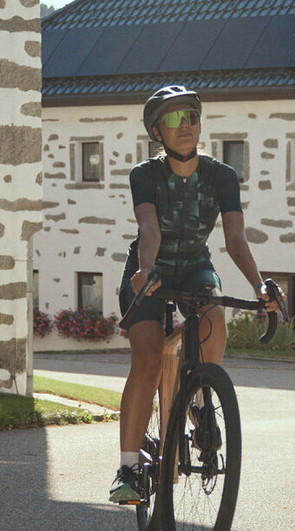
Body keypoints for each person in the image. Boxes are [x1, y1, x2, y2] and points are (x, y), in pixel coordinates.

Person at [109, 85, 281, 503]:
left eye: (191, 117)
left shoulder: (221, 176)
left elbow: (235, 239)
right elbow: (149, 229)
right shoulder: (145, 175)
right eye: (173, 119)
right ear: (157, 131)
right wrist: (146, 272)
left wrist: (259, 285)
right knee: (148, 359)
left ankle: (201, 395)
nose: (184, 126)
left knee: (213, 314)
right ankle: (128, 468)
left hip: (195, 268)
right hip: (148, 271)